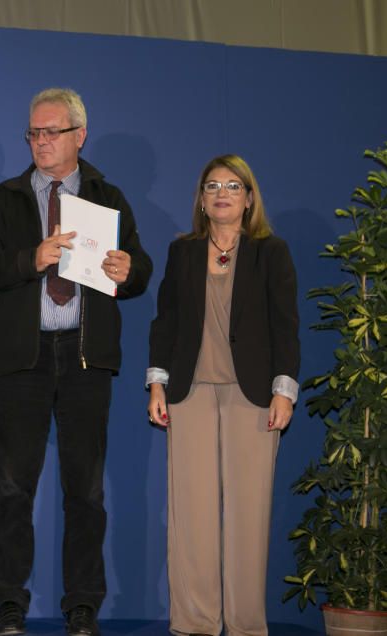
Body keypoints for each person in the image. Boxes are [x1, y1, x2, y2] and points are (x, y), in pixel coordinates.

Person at [0, 87, 152, 636]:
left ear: (79, 135)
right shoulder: (5, 198)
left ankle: (83, 605)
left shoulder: (106, 195)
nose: (41, 142)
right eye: (33, 133)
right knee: (12, 488)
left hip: (86, 356)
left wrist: (126, 270)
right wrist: (32, 258)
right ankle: (9, 604)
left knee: (86, 490)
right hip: (23, 357)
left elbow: (139, 270)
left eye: (51, 132)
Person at [146, 154, 299, 636]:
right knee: (191, 510)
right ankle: (195, 620)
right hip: (189, 393)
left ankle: (246, 622)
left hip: (252, 396)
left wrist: (285, 392)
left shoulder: (271, 252)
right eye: (212, 186)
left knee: (248, 513)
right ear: (202, 199)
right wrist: (157, 383)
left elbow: (286, 328)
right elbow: (165, 320)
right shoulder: (183, 252)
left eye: (233, 186)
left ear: (249, 197)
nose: (222, 194)